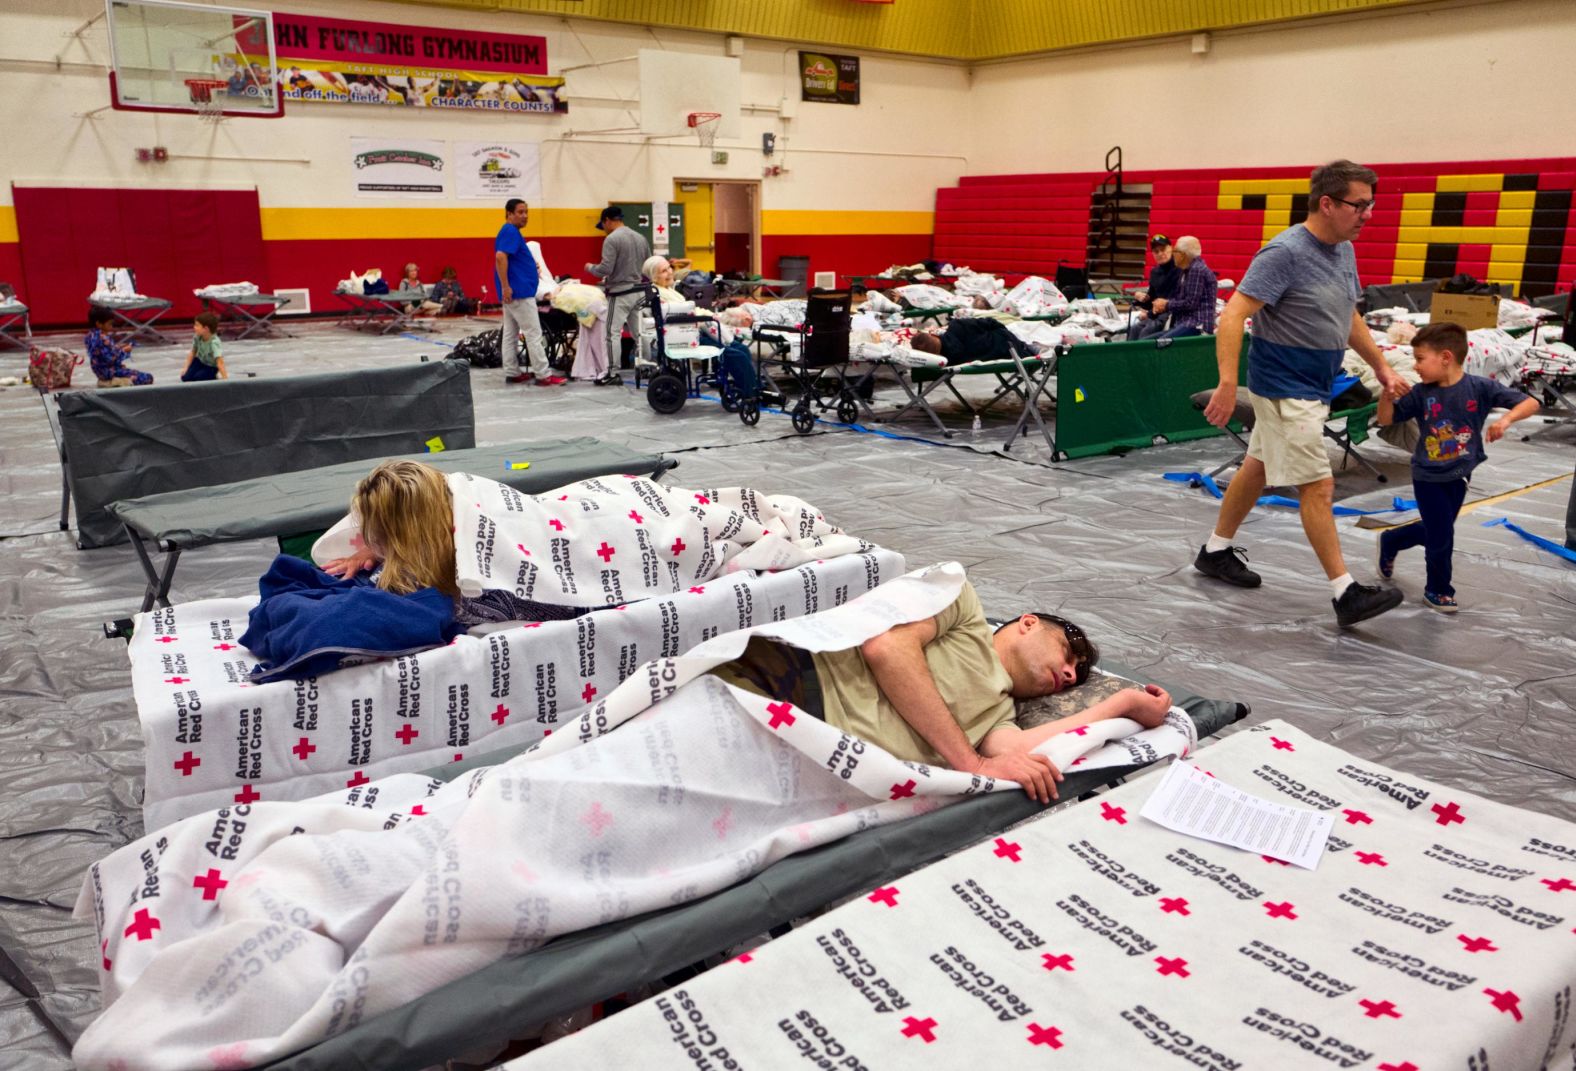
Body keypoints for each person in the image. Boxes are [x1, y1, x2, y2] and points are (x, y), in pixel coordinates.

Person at [713, 581, 1174, 803]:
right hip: (790, 681)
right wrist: (970, 763)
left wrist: (1124, 704)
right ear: (1027, 622)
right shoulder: (963, 607)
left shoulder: (1000, 715)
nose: (1072, 674)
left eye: (1078, 672)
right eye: (1069, 652)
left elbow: (1020, 751)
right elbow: (887, 647)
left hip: (816, 757)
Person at [1197, 160, 1409, 629]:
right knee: (1318, 484)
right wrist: (1229, 384)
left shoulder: (1343, 251)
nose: (1368, 214)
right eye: (1360, 205)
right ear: (1327, 204)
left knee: (1258, 467)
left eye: (1371, 205)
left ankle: (1214, 551)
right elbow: (1233, 316)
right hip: (1283, 387)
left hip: (1314, 387)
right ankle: (1345, 592)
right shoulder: (1284, 253)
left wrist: (1380, 366)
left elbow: (1347, 315)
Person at [1376, 322, 1539, 611]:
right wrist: (1386, 396)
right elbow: (1388, 420)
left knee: (1437, 529)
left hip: (1461, 474)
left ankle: (1392, 539)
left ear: (1446, 357)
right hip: (1427, 475)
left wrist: (1505, 421)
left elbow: (1529, 402)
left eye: (1420, 359)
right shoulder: (1421, 393)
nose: (1415, 366)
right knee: (1442, 535)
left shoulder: (1479, 388)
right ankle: (1437, 590)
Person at [319, 461, 583, 626]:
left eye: (380, 534)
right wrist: (378, 548)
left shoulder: (465, 583)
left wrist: (387, 550)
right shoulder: (447, 510)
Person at [494, 199, 564, 387]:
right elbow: (500, 257)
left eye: (526, 212)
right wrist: (506, 286)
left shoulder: (511, 232)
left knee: (510, 334)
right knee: (533, 333)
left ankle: (512, 371)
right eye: (520, 212)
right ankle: (543, 375)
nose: (525, 216)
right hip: (519, 292)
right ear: (509, 214)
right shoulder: (509, 231)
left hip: (515, 292)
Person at [586, 206, 651, 370]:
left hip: (620, 293)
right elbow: (648, 265)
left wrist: (590, 268)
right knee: (640, 333)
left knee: (612, 333)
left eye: (603, 227)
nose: (604, 231)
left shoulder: (612, 239)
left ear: (607, 221)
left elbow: (605, 269)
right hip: (639, 291)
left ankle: (612, 371)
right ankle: (646, 366)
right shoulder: (640, 237)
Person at [1155, 236, 1218, 339]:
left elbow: (1190, 303)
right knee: (1148, 341)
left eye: (1175, 251)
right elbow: (1181, 299)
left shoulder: (1196, 270)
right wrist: (1164, 304)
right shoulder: (1186, 270)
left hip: (1197, 325)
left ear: (1182, 255)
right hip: (1186, 323)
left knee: (1159, 344)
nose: (1173, 254)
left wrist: (1166, 304)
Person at [1127, 235, 1180, 340]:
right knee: (1134, 329)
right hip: (1155, 316)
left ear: (1171, 248)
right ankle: (1128, 356)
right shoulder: (1154, 272)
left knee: (1145, 333)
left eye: (1163, 249)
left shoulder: (1180, 270)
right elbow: (1151, 300)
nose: (1160, 254)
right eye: (1156, 251)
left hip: (1172, 315)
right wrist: (1141, 299)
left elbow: (1177, 299)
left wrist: (1150, 313)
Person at [84, 307, 153, 387]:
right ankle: (114, 382)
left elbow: (102, 354)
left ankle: (114, 380)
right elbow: (110, 358)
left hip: (101, 372)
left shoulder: (90, 336)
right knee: (148, 378)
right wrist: (124, 351)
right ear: (99, 324)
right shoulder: (102, 338)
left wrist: (117, 347)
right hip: (108, 372)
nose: (111, 326)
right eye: (109, 324)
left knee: (132, 373)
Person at [180, 312, 228, 382]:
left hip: (211, 366)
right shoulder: (197, 337)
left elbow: (220, 362)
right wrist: (185, 368)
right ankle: (202, 373)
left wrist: (225, 379)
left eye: (197, 325)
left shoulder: (214, 342)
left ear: (206, 328)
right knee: (185, 378)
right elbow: (193, 352)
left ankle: (212, 376)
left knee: (198, 378)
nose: (194, 327)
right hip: (199, 361)